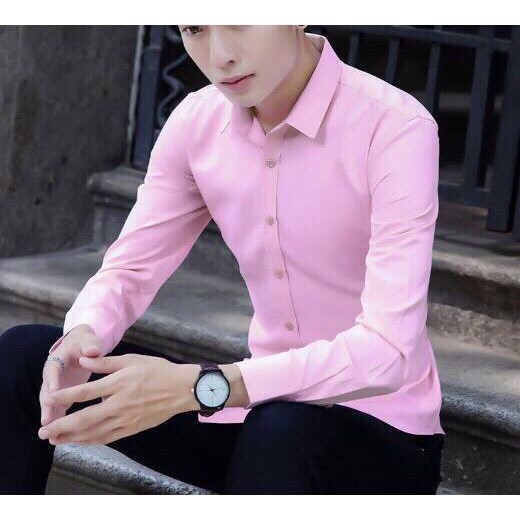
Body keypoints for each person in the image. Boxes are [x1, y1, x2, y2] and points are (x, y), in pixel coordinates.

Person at [0, 25, 446, 494]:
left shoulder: (394, 126)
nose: (220, 56)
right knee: (26, 355)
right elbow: (129, 269)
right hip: (250, 411)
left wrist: (199, 386)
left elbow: (387, 353)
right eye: (195, 28)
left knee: (283, 428)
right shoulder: (197, 121)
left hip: (381, 434)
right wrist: (85, 335)